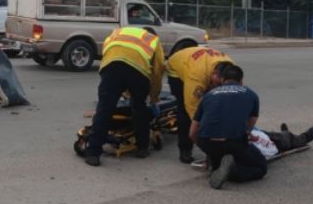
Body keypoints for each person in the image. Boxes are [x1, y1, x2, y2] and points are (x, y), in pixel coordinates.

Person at [189, 64, 313, 189]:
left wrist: (207, 150)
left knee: (220, 158)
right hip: (233, 142)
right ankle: (233, 171)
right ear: (241, 81)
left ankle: (218, 168)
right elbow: (248, 129)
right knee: (260, 168)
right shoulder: (251, 94)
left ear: (222, 80)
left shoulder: (208, 96)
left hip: (208, 142)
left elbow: (192, 133)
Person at [83, 26, 164, 166]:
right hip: (137, 70)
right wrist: (154, 97)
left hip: (110, 65)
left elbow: (109, 53)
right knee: (139, 107)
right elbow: (157, 72)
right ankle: (142, 148)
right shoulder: (153, 40)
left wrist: (121, 88)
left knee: (104, 109)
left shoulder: (119, 32)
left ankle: (93, 153)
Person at [165, 46, 234, 164]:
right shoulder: (196, 75)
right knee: (185, 112)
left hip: (201, 63)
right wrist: (204, 135)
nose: (220, 88)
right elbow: (192, 109)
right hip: (177, 69)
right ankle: (185, 149)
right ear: (215, 74)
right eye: (218, 84)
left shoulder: (231, 68)